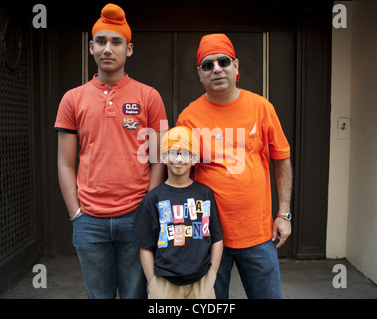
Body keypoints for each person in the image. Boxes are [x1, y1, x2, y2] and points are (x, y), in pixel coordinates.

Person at [54, 3, 167, 299]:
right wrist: (75, 213)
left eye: (116, 42)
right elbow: (65, 163)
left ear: (128, 49)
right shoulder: (72, 99)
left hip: (136, 216)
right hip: (89, 220)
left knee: (135, 295)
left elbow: (159, 159)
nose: (108, 48)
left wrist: (148, 207)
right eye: (101, 42)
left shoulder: (150, 96)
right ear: (91, 47)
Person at [176, 33, 293, 299]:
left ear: (236, 66)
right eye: (208, 65)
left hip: (257, 234)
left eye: (223, 61)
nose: (216, 69)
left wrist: (284, 214)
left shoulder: (261, 108)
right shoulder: (189, 117)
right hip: (207, 236)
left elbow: (282, 158)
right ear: (200, 73)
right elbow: (180, 174)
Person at [133, 126, 223, 299]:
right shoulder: (153, 199)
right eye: (173, 152)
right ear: (164, 158)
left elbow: (217, 239)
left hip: (201, 283)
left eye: (186, 153)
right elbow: (145, 246)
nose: (179, 159)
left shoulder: (205, 194)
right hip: (164, 284)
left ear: (194, 158)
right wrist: (153, 285)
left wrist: (212, 276)